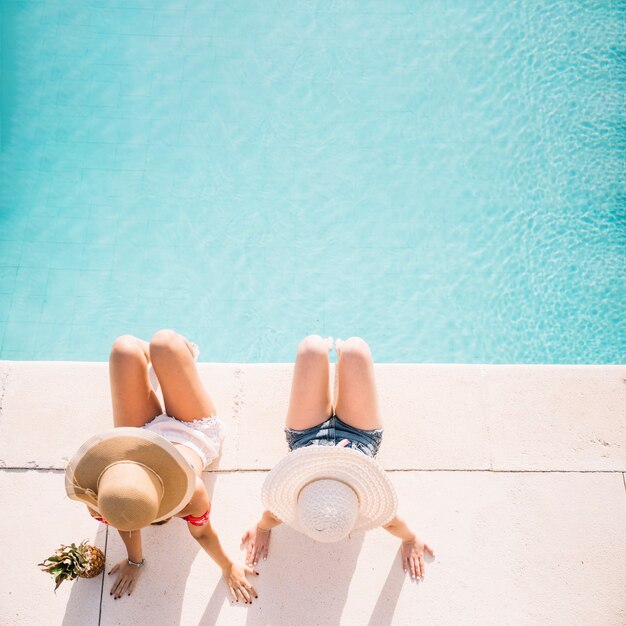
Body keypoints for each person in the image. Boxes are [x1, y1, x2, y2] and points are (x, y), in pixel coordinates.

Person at [65, 330, 258, 604]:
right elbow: (201, 533)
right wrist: (228, 567)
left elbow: (126, 518)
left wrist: (135, 561)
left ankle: (166, 367)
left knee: (124, 348)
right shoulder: (191, 492)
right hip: (193, 431)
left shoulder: (100, 496)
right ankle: (173, 362)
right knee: (164, 342)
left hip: (140, 435)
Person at [242, 335, 434, 580]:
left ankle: (326, 346)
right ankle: (342, 349)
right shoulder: (342, 507)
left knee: (310, 348)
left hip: (306, 438)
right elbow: (392, 522)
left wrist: (261, 528)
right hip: (360, 438)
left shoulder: (298, 509)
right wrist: (411, 538)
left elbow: (271, 516)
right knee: (356, 350)